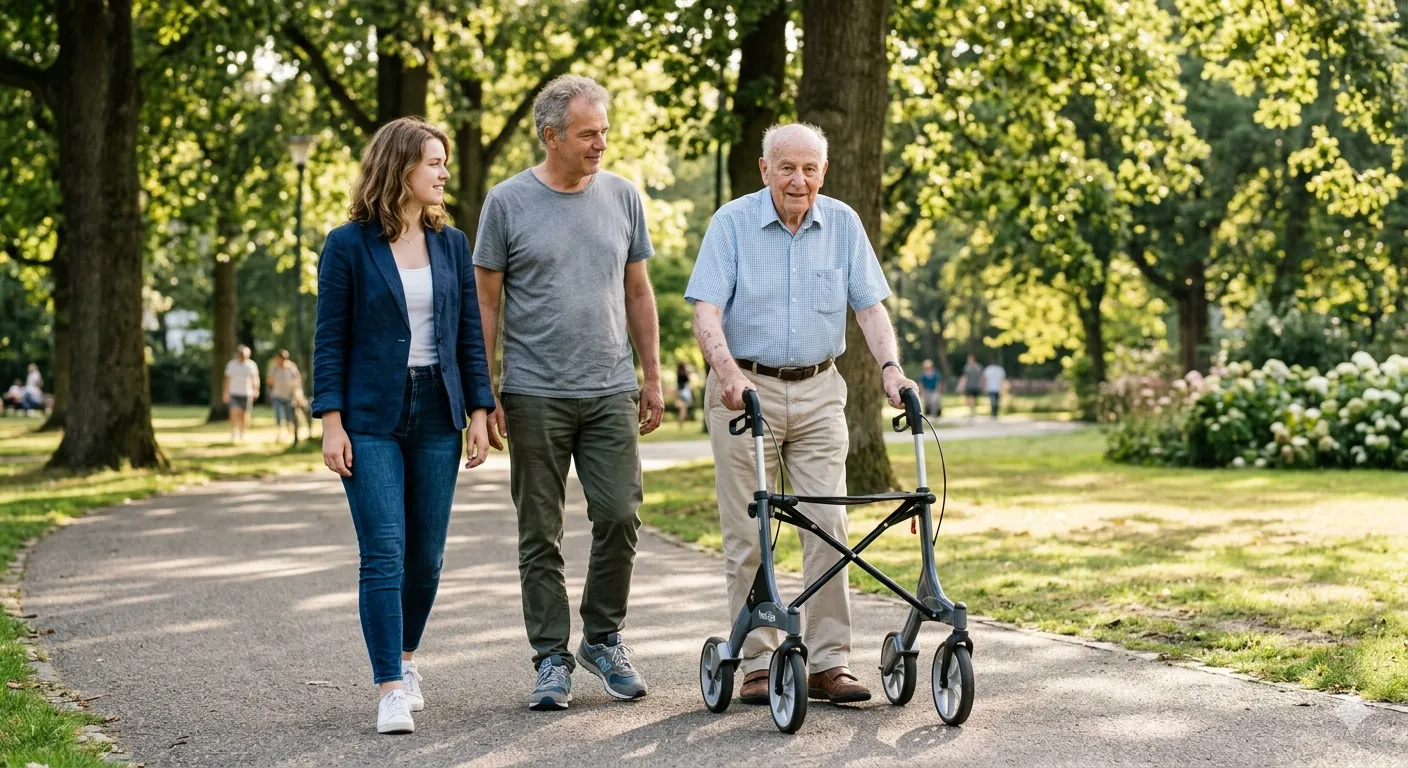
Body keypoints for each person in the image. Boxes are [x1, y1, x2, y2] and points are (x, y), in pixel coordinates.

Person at [685, 122, 919, 707]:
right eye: (787, 167)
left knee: (829, 526)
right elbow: (706, 313)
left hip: (820, 390)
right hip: (747, 392)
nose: (799, 179)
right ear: (765, 170)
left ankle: (829, 661)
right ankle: (759, 662)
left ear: (823, 172)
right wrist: (727, 373)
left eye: (810, 169)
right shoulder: (731, 223)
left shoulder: (842, 223)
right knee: (749, 531)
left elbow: (870, 309)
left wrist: (891, 368)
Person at [474, 74, 663, 712]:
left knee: (619, 514)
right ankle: (551, 656)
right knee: (540, 531)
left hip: (610, 386)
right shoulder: (505, 203)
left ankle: (603, 638)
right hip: (533, 392)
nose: (601, 144)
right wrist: (485, 388)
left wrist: (653, 374)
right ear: (551, 135)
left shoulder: (623, 197)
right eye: (588, 133)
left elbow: (639, 291)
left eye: (605, 132)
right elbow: (486, 302)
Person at [312, 116, 495, 734]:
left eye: (445, 162)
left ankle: (408, 659)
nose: (444, 173)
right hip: (369, 418)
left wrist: (478, 411)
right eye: (433, 163)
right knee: (384, 551)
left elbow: (469, 334)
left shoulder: (452, 243)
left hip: (437, 412)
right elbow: (329, 338)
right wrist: (331, 422)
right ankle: (389, 684)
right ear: (400, 169)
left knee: (429, 558)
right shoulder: (347, 244)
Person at [223, 346, 259, 441]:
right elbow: (227, 379)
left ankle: (243, 432)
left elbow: (255, 378)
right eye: (242, 354)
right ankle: (234, 431)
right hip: (234, 392)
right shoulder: (231, 364)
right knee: (234, 412)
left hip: (247, 393)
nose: (244, 356)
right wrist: (225, 392)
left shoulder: (251, 365)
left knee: (245, 415)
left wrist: (256, 389)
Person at [267, 350, 303, 442]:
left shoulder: (291, 367)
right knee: (278, 415)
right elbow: (269, 380)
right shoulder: (274, 368)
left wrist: (296, 393)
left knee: (289, 415)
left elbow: (297, 380)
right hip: (277, 395)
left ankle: (289, 433)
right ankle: (279, 434)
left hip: (289, 396)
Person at [959, 354, 983, 420]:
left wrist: (981, 385)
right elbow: (964, 377)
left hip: (976, 385)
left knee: (974, 399)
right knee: (970, 399)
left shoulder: (978, 367)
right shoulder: (967, 367)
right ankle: (972, 411)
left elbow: (981, 377)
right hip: (969, 385)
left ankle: (973, 411)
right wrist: (961, 386)